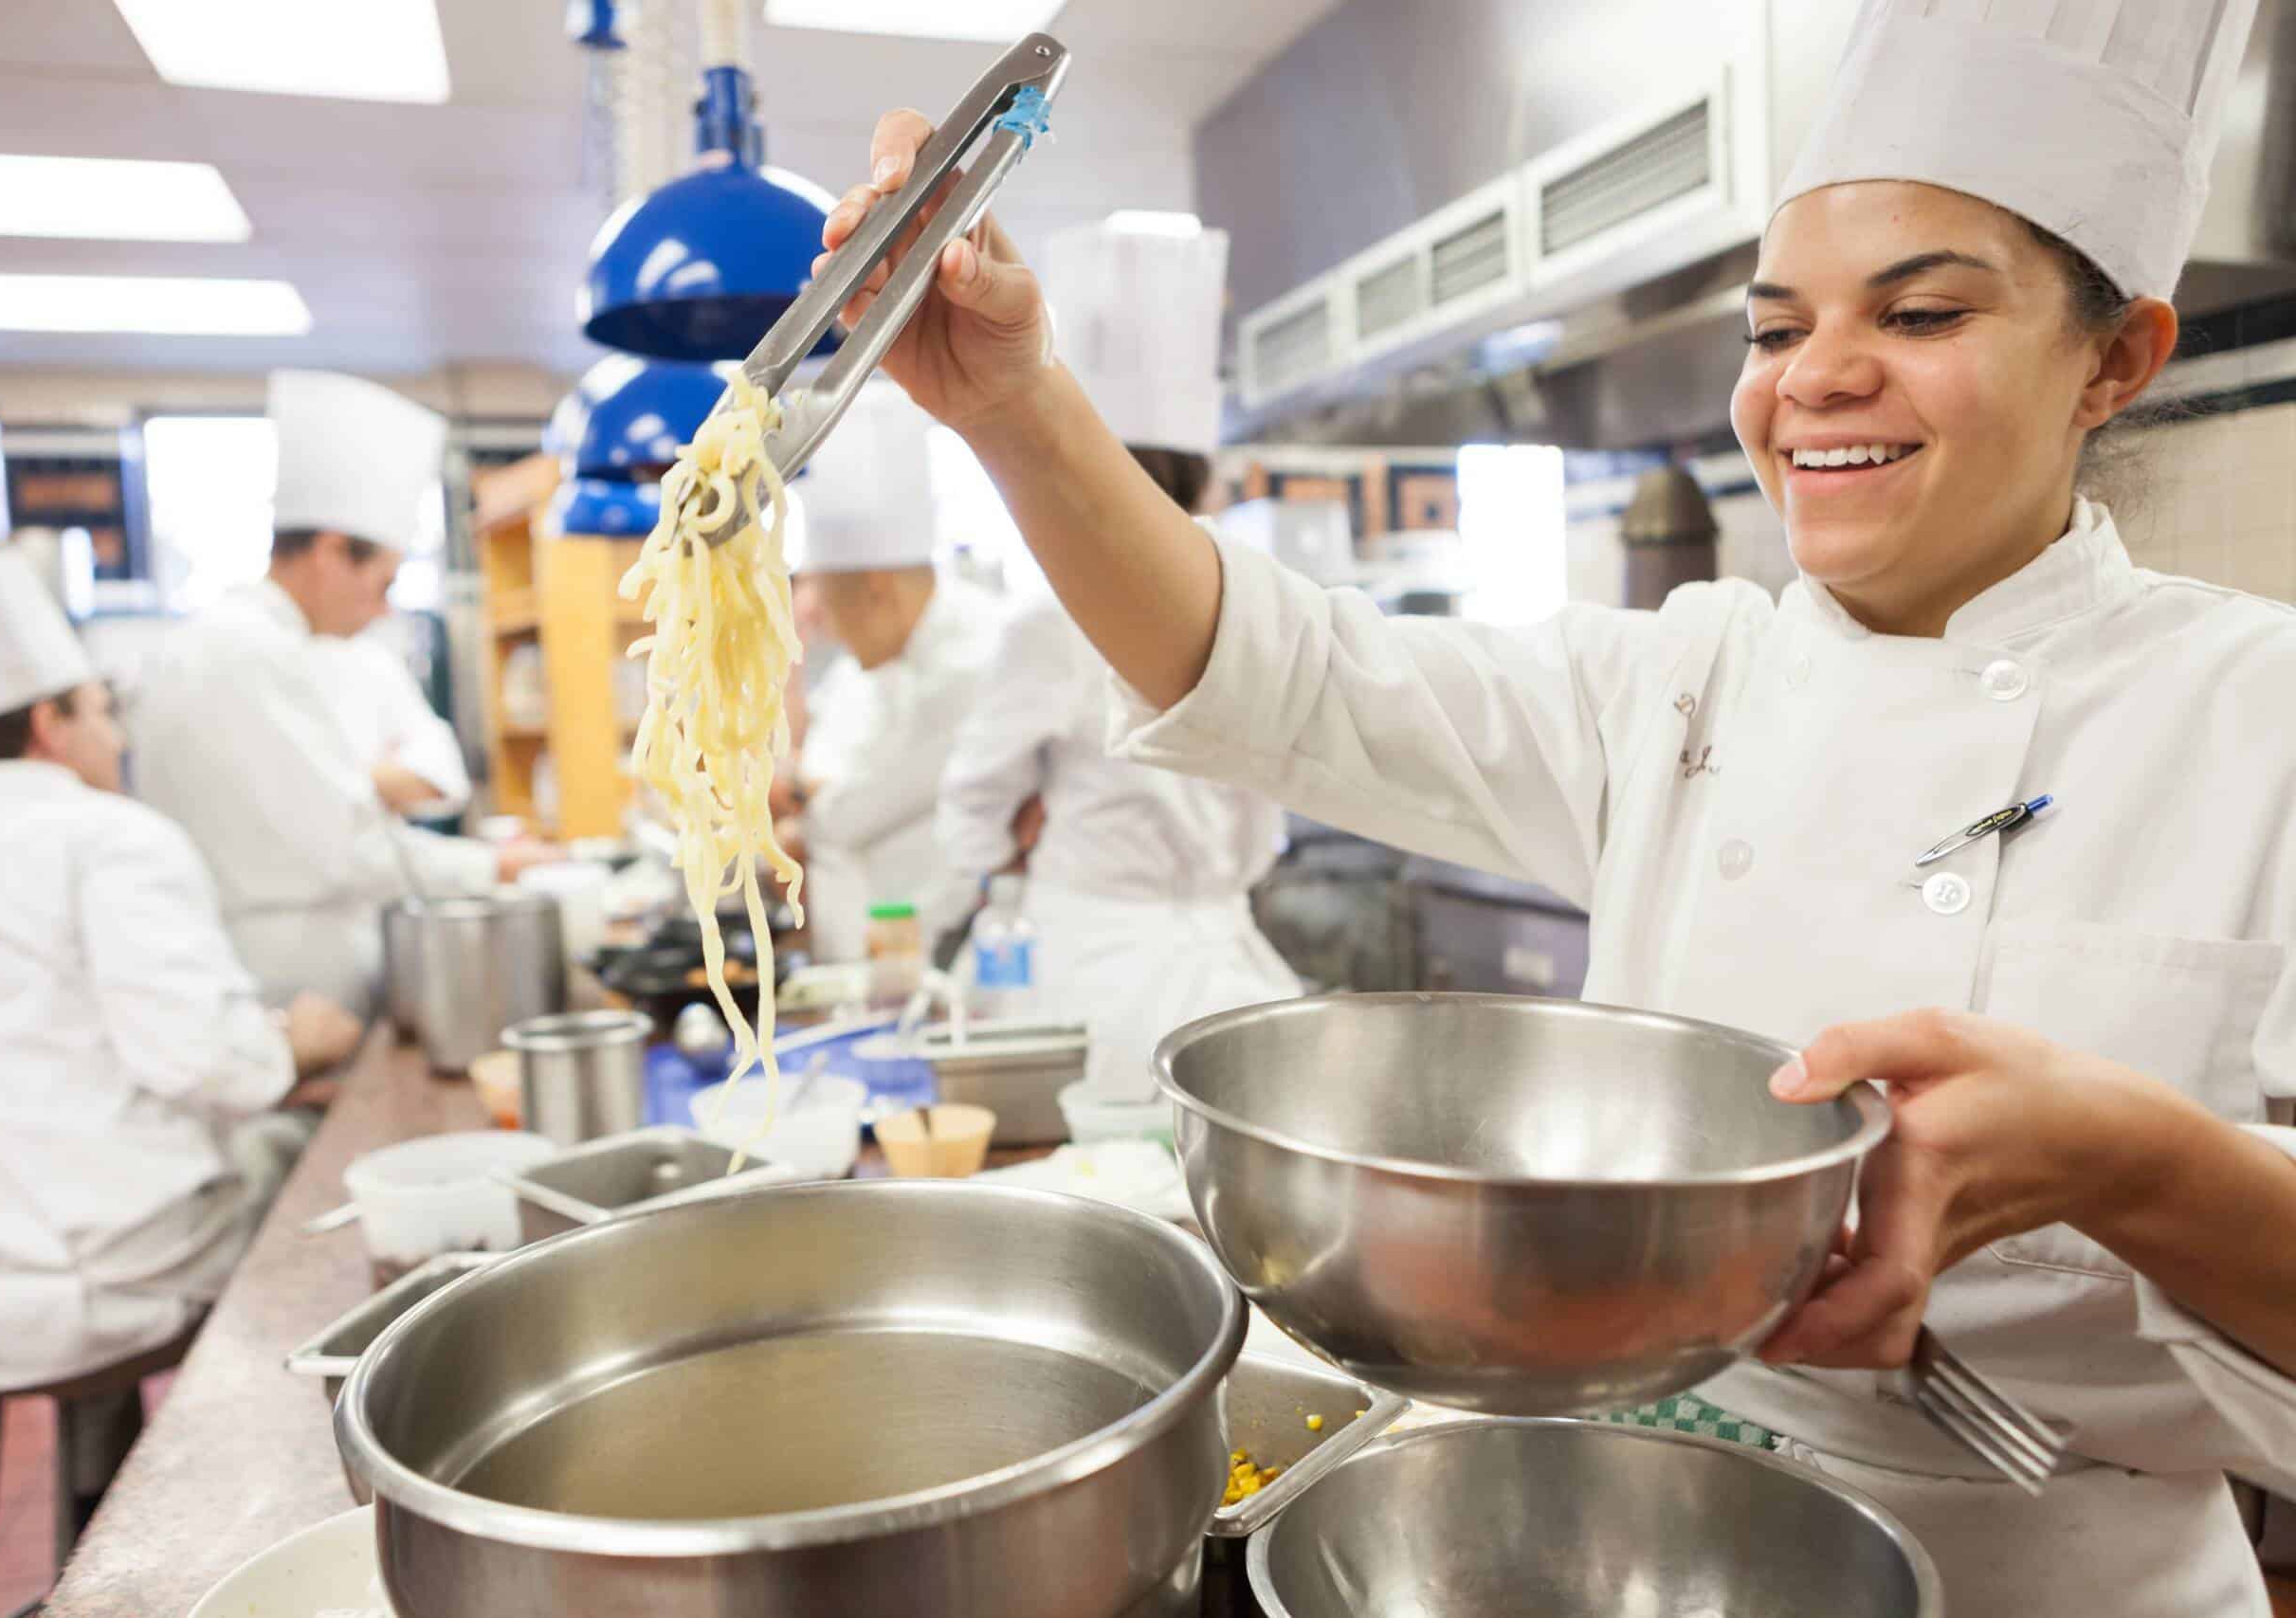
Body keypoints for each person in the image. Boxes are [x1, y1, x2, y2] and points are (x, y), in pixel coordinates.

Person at [831, 0, 2296, 1609]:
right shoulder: (1675, 684)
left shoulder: (2258, 718)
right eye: (1771, 328)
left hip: (2072, 1572)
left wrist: (2135, 1164)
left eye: (1925, 313)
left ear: (2118, 360)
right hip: (1642, 1538)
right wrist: (1011, 404)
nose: (1817, 379)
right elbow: (1271, 670)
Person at [0, 559, 361, 1598]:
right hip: (112, 1284)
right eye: (101, 710)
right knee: (314, 1195)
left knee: (145, 1172)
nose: (119, 736)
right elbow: (205, 1060)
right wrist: (301, 1040)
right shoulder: (108, 837)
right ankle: (273, 1516)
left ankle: (93, 1521)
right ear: (48, 722)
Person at [937, 218, 1297, 1092]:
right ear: (1202, 477)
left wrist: (1004, 859)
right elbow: (1270, 823)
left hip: (1094, 970)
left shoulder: (1051, 618)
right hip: (1233, 971)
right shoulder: (1255, 596)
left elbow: (974, 806)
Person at [129, 370, 550, 1018]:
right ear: (329, 553)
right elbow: (349, 848)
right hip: (282, 982)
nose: (382, 612)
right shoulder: (246, 654)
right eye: (380, 583)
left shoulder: (239, 645)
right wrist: (491, 866)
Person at [769, 390, 1002, 965]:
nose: (818, 622)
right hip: (858, 964)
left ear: (876, 589)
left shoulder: (979, 658)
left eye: (826, 599)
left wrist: (801, 800)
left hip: (951, 966)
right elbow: (816, 787)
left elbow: (846, 816)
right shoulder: (865, 665)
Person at [308, 622, 473, 825]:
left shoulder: (367, 656)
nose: (384, 612)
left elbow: (446, 775)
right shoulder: (265, 653)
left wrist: (338, 785)